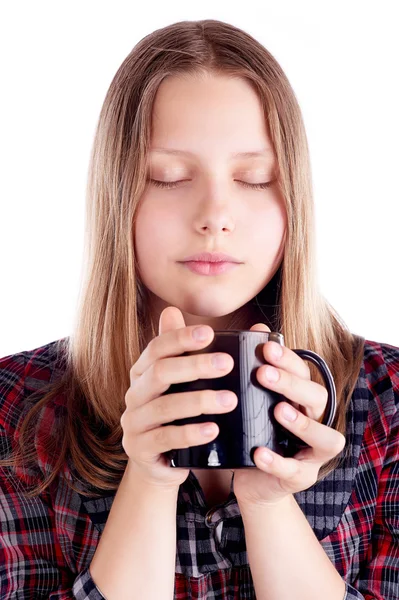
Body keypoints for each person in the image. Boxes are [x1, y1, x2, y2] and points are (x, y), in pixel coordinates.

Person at [0, 18, 397, 600]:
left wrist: (268, 504)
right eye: (169, 178)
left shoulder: (387, 402)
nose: (216, 214)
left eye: (255, 179)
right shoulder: (16, 410)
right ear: (118, 198)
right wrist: (149, 483)